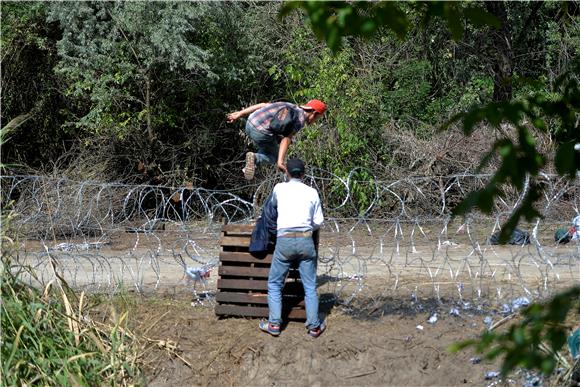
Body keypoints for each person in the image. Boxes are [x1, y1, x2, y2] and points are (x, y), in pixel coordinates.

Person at [258, 158, 326, 338]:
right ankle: (314, 327)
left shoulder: (279, 188)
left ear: (287, 173)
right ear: (303, 174)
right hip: (305, 240)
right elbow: (319, 221)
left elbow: (271, 207)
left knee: (274, 284)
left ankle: (274, 324)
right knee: (310, 286)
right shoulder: (312, 192)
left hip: (284, 241)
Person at [226, 100, 326, 180]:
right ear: (314, 113)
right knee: (273, 156)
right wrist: (280, 161)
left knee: (271, 144)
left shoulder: (289, 105)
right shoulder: (300, 120)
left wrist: (240, 113)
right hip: (260, 132)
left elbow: (262, 105)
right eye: (317, 118)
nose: (315, 122)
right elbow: (286, 139)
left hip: (250, 122)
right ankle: (255, 158)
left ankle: (252, 163)